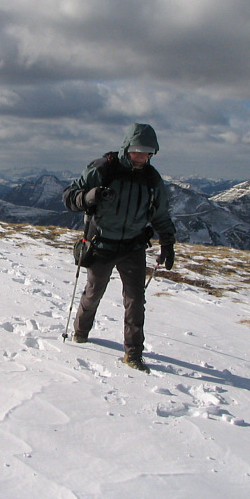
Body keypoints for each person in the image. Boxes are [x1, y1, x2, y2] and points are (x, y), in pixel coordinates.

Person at [62, 123, 177, 373]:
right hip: (101, 244)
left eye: (147, 152)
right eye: (137, 151)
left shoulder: (151, 178)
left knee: (135, 301)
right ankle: (80, 333)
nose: (141, 157)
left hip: (133, 246)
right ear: (126, 148)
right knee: (93, 293)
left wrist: (167, 242)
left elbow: (160, 213)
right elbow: (69, 196)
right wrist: (90, 196)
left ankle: (133, 354)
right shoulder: (104, 168)